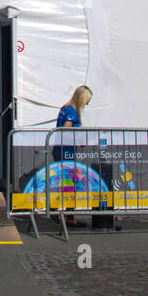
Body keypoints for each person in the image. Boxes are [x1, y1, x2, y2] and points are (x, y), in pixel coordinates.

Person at [54, 86, 93, 227]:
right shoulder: (72, 111)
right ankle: (63, 213)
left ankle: (67, 214)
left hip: (61, 150)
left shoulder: (65, 108)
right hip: (66, 152)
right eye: (87, 101)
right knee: (72, 183)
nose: (87, 104)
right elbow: (66, 129)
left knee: (68, 183)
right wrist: (78, 139)